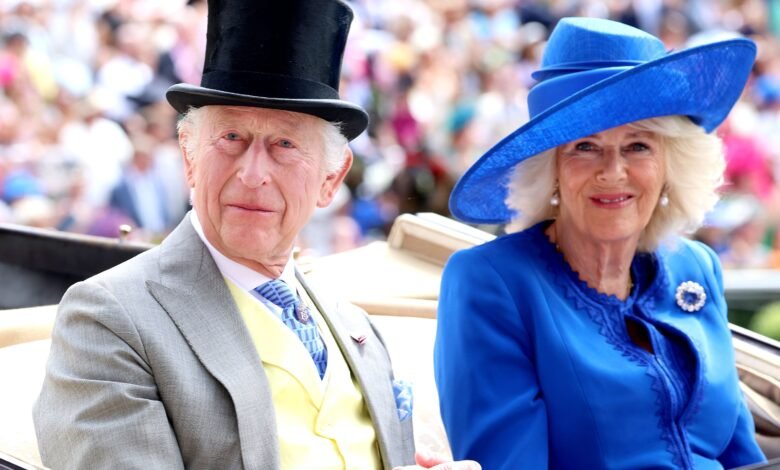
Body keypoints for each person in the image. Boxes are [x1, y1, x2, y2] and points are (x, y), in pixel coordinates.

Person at [33, 1, 479, 469]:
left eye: (285, 144)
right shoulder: (109, 320)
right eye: (231, 139)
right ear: (189, 155)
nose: (252, 173)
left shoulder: (355, 326)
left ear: (331, 178)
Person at [434, 17, 766, 469]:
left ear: (672, 164)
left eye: (638, 146)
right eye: (585, 147)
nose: (613, 171)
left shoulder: (697, 267)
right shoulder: (492, 282)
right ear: (550, 169)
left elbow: (741, 454)